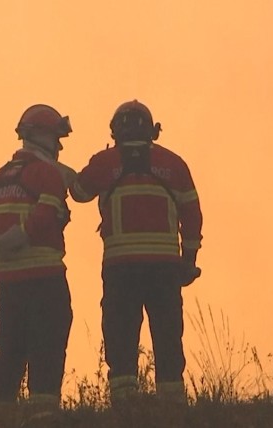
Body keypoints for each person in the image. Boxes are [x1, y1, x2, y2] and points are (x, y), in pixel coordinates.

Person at [69, 100, 203, 404]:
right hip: (165, 268)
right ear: (152, 130)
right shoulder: (174, 163)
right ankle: (172, 401)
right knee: (168, 332)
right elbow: (192, 213)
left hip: (120, 267)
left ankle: (125, 401)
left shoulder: (105, 162)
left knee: (121, 332)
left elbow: (77, 193)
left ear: (115, 130)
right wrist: (190, 258)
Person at [0, 104, 76, 412]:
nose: (59, 145)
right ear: (41, 136)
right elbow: (42, 218)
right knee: (47, 348)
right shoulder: (48, 174)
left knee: (9, 351)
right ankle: (42, 416)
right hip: (46, 280)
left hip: (7, 284)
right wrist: (7, 243)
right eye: (57, 138)